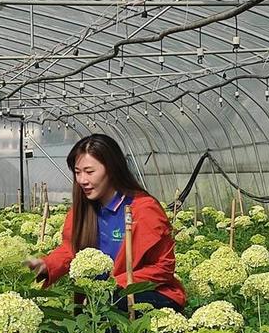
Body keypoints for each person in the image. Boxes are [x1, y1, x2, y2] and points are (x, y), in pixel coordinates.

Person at [27, 133, 185, 311]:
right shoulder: (82, 210)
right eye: (77, 173)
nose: (82, 180)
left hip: (150, 295)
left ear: (111, 169)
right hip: (101, 298)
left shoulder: (143, 209)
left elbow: (163, 267)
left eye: (89, 172)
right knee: (82, 322)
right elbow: (70, 249)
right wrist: (46, 265)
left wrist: (116, 284)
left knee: (113, 302)